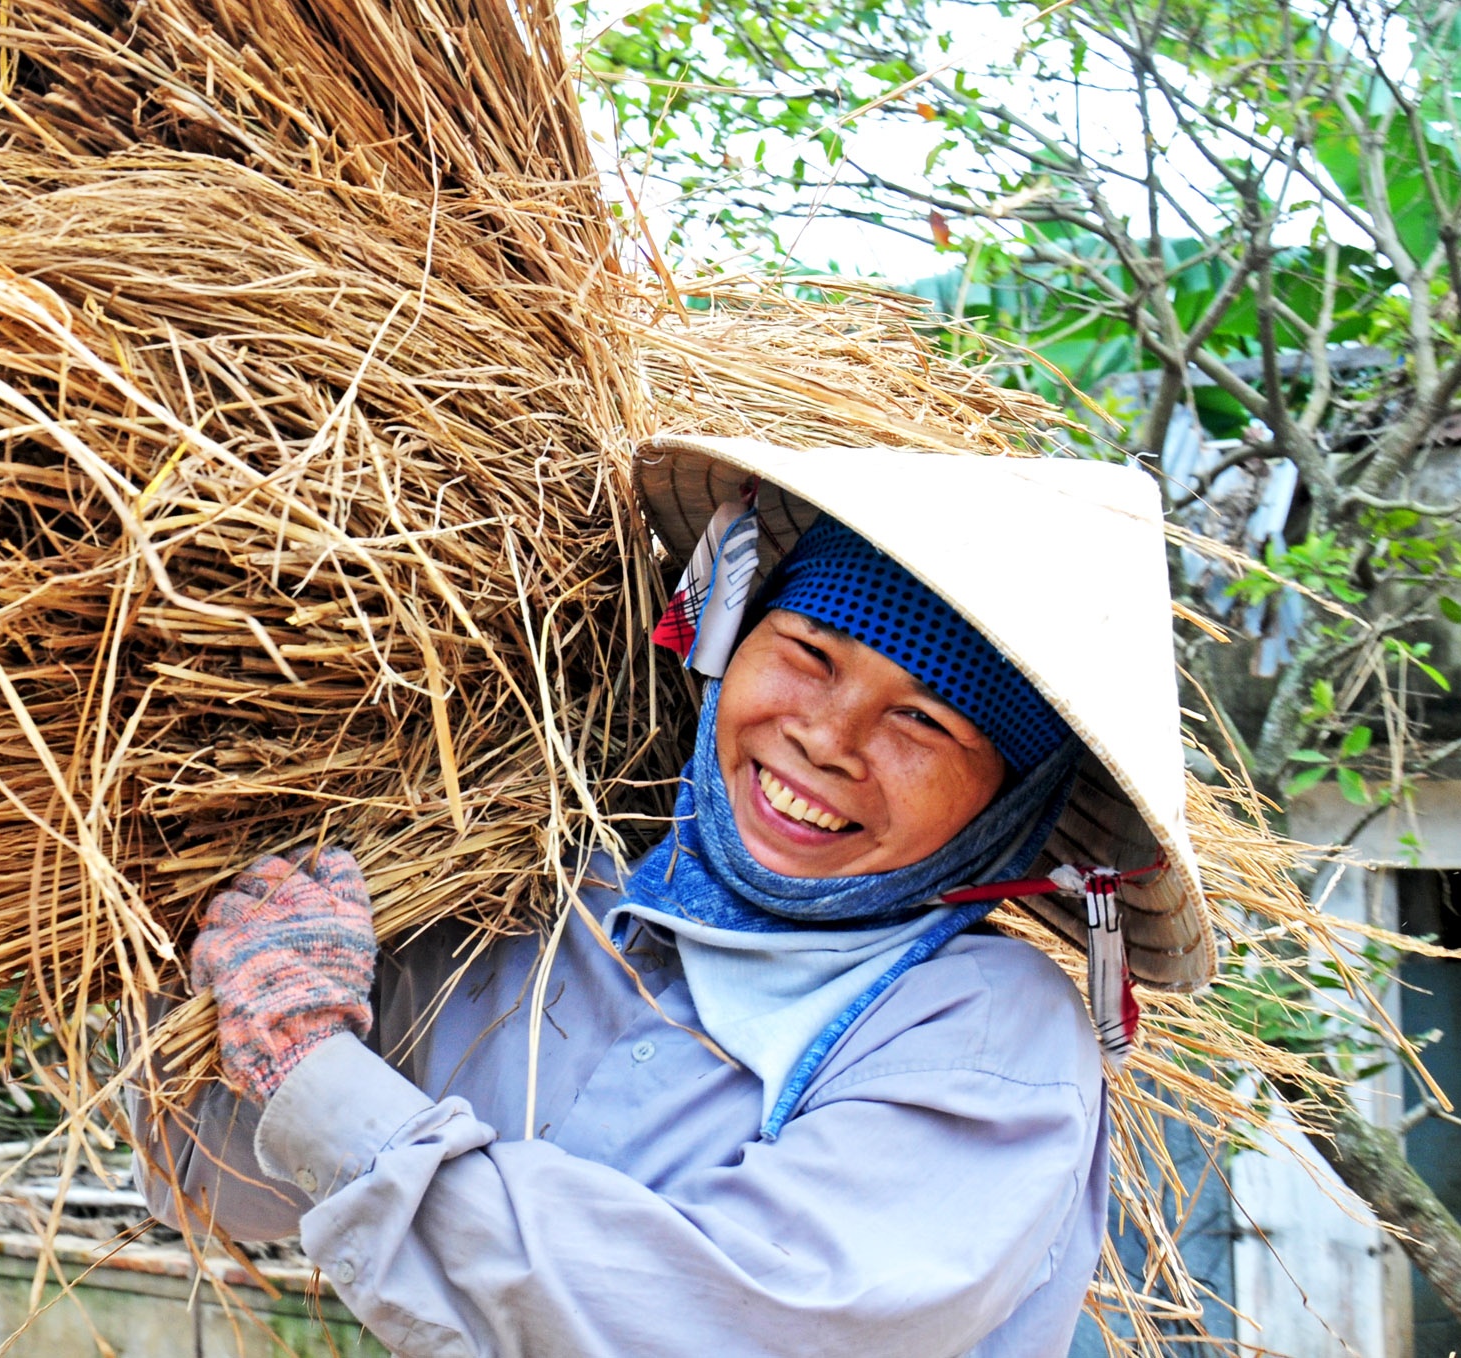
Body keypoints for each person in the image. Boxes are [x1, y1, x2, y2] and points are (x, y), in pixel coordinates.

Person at [139, 436, 1213, 1358]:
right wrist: (184, 929)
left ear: (1006, 804)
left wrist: (317, 1071)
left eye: (923, 721)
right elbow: (227, 1186)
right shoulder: (549, 898)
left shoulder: (984, 1034)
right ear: (732, 641)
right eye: (807, 652)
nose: (827, 738)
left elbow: (706, 1328)